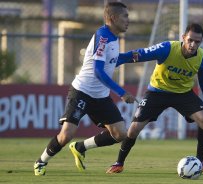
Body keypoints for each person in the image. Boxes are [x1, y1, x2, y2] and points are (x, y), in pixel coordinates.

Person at [33, 2, 136, 176]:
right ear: (113, 18)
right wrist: (121, 92)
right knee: (66, 135)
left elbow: (112, 61)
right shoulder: (103, 36)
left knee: (120, 134)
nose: (128, 20)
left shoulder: (114, 38)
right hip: (82, 91)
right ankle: (41, 161)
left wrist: (134, 56)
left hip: (100, 96)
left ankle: (80, 147)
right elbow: (98, 71)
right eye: (125, 16)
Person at [105, 23, 203, 176]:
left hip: (183, 93)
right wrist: (119, 59)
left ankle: (200, 162)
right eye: (190, 40)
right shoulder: (167, 48)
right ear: (183, 38)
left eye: (197, 42)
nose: (193, 45)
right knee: (133, 130)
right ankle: (119, 163)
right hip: (157, 92)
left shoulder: (202, 58)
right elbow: (142, 53)